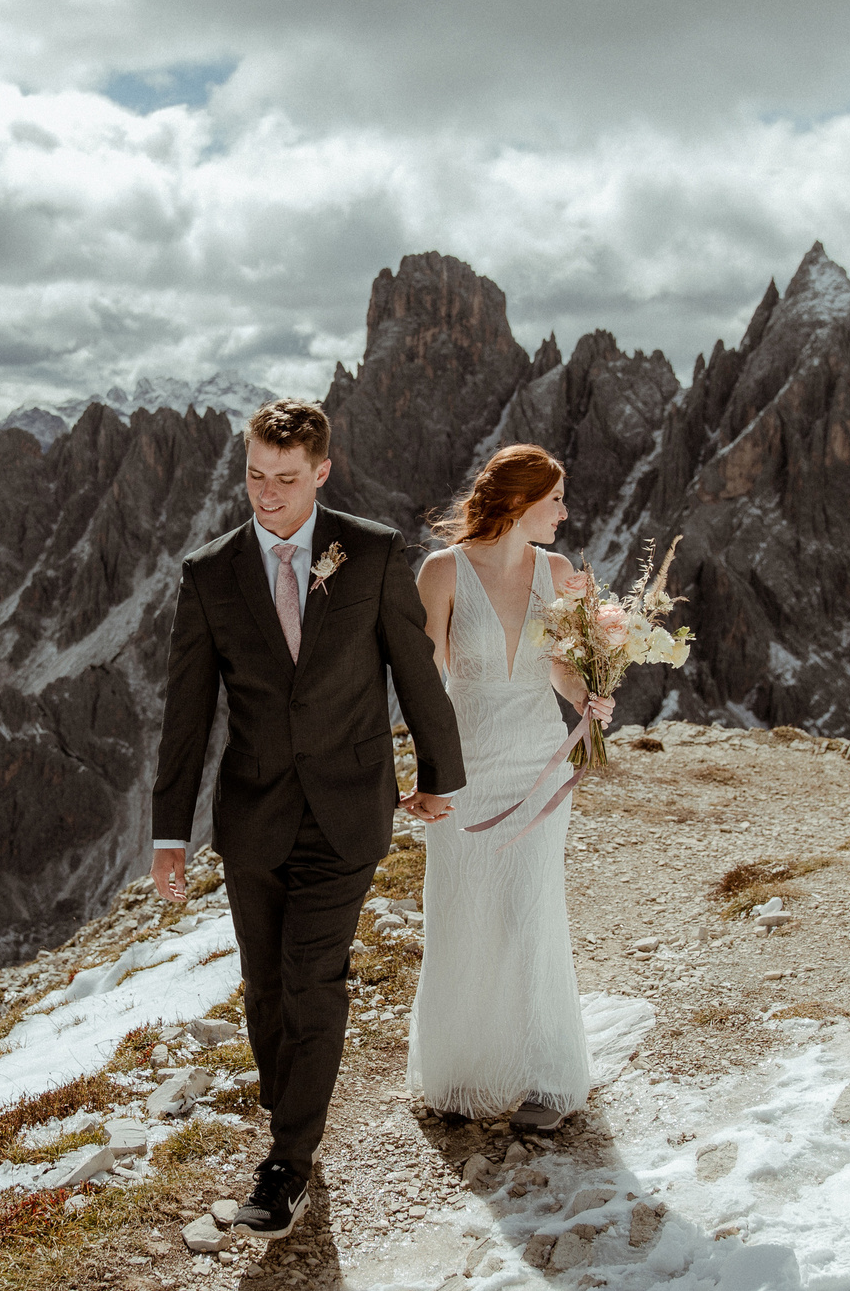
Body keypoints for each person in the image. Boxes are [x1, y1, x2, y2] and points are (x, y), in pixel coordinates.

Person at [150, 399, 467, 1239]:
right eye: (255, 475)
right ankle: (288, 1105)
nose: (268, 492)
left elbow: (415, 670)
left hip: (347, 808)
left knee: (312, 977)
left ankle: (288, 1161)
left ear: (321, 472)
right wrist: (169, 835)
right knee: (264, 985)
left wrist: (439, 774)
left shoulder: (370, 552)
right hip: (253, 816)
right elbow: (187, 713)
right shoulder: (209, 573)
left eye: (286, 478)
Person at [407, 445, 612, 1131]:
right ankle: (462, 1071)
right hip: (464, 766)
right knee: (462, 909)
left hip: (535, 761)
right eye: (555, 499)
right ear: (521, 502)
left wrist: (588, 696)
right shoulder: (442, 571)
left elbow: (561, 667)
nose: (564, 512)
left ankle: (544, 1076)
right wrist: (428, 774)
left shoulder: (558, 573)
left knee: (531, 909)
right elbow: (424, 681)